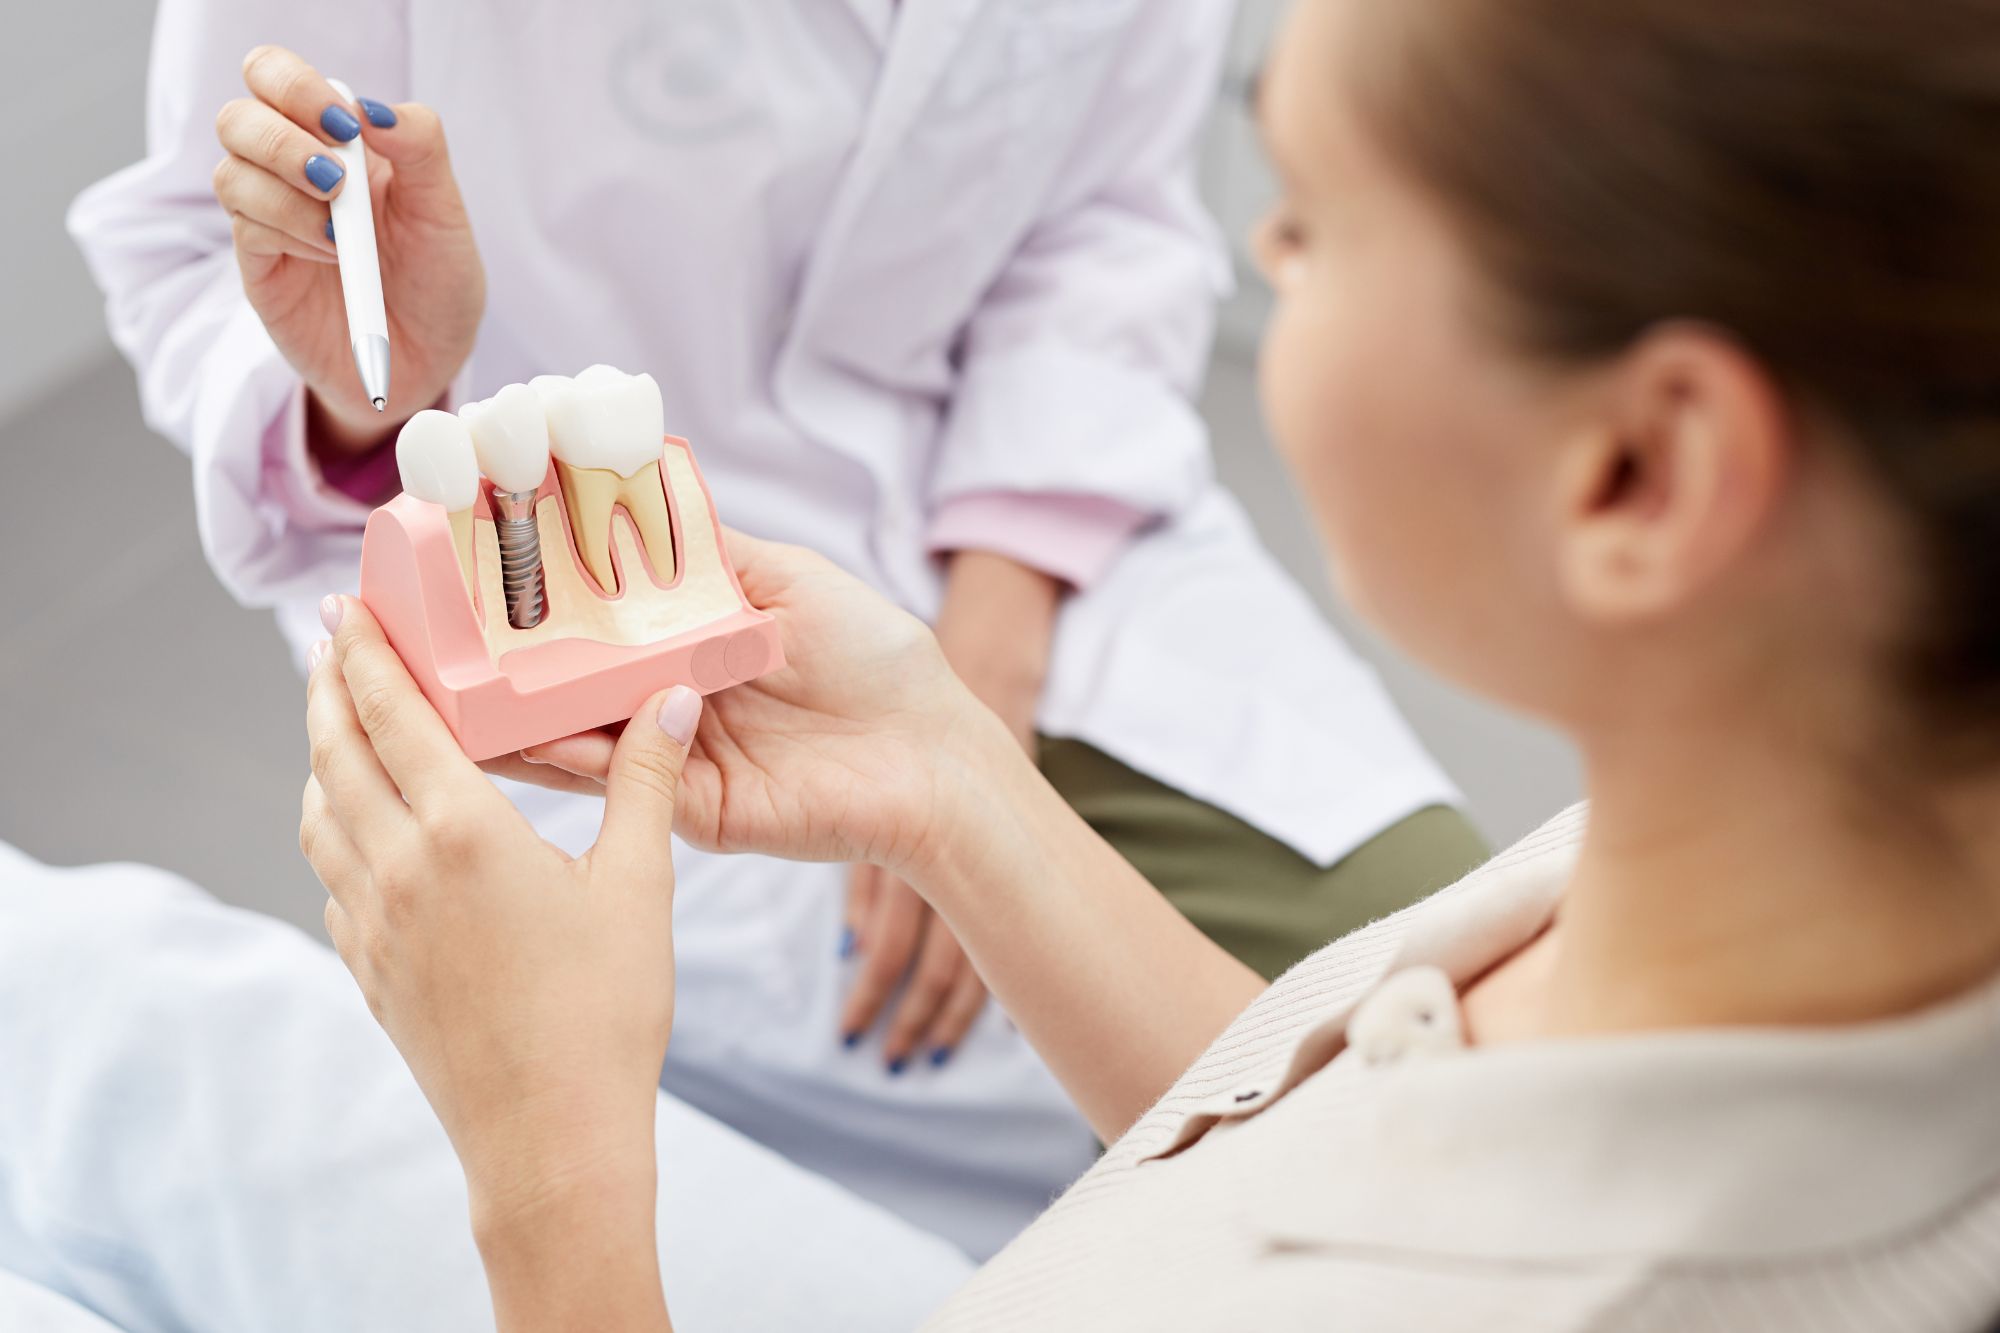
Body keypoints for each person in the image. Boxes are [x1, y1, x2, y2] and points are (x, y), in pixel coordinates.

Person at [295, 0, 2000, 1326]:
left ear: (1642, 472)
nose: (1256, 255)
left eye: (1312, 223)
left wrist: (551, 1165)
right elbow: (1348, 1138)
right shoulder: (1747, 886)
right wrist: (952, 783)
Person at [67, 0, 1481, 1254]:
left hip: (1042, 542)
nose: (1284, 247)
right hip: (570, 605)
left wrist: (990, 638)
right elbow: (211, 250)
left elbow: (1107, 214)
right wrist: (371, 389)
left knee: (1441, 1043)